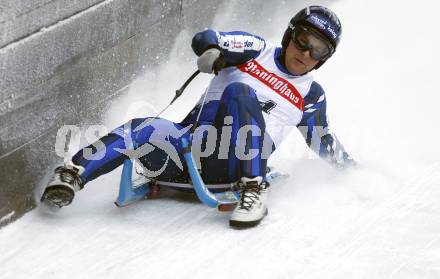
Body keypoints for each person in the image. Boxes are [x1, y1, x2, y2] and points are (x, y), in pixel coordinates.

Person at [41, 6, 355, 228]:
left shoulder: (311, 94)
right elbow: (207, 36)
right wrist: (215, 52)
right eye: (303, 40)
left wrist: (353, 171)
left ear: (325, 59)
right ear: (291, 35)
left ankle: (252, 190)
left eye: (319, 51)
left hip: (233, 163)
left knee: (239, 93)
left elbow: (321, 140)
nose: (306, 54)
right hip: (185, 150)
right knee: (144, 126)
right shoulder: (255, 49)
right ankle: (71, 176)